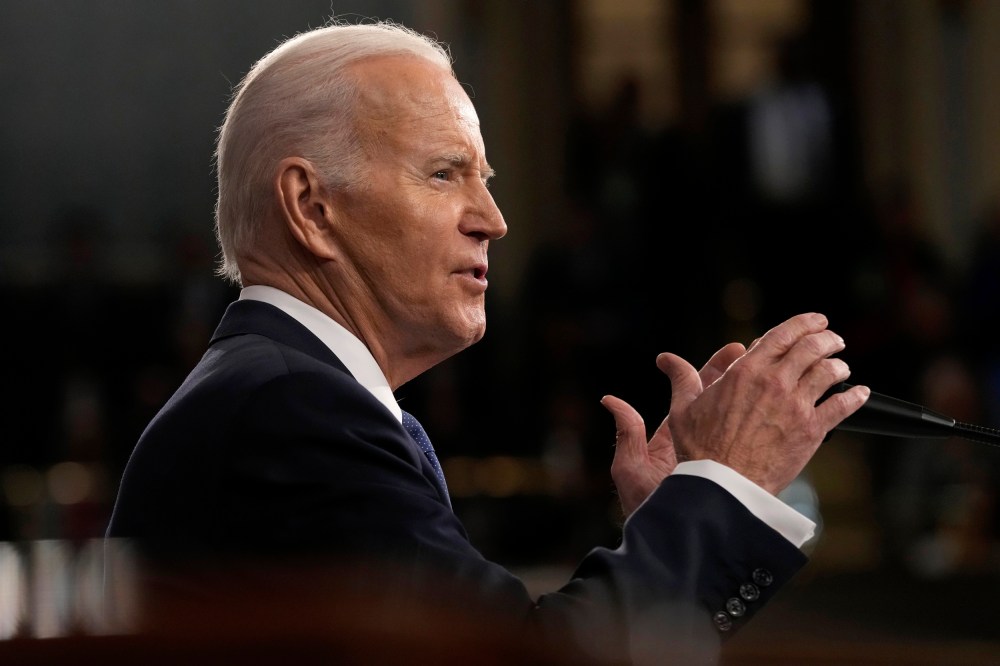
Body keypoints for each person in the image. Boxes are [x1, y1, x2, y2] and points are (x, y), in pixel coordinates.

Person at [105, 18, 869, 664]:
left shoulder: (281, 394)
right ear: (311, 206)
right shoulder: (290, 409)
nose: (493, 220)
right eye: (446, 174)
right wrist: (721, 488)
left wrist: (671, 527)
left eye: (487, 179)